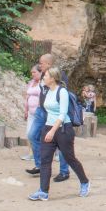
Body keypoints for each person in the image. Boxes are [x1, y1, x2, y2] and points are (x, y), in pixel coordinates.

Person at [28, 66, 90, 201]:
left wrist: (52, 131)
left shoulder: (62, 92)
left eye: (46, 76)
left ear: (53, 78)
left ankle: (84, 182)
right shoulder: (46, 90)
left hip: (63, 129)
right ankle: (43, 191)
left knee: (70, 159)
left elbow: (62, 114)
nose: (43, 77)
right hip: (48, 127)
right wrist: (48, 129)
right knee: (45, 160)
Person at [26, 54, 70, 182]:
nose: (40, 65)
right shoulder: (42, 75)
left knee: (61, 143)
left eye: (42, 63)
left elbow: (62, 92)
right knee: (32, 135)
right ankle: (40, 165)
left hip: (54, 113)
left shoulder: (59, 75)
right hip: (41, 111)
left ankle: (64, 171)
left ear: (49, 64)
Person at [22, 65, 41, 161]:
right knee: (29, 133)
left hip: (39, 113)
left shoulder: (42, 84)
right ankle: (30, 153)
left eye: (34, 72)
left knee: (36, 134)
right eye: (32, 72)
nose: (32, 74)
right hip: (30, 112)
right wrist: (26, 110)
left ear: (40, 72)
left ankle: (38, 154)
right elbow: (27, 97)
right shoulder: (31, 83)